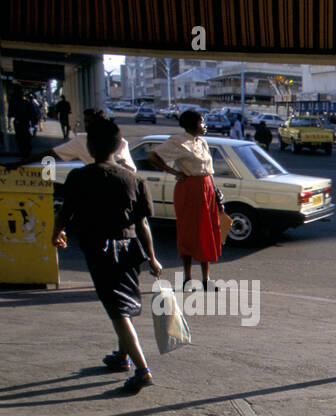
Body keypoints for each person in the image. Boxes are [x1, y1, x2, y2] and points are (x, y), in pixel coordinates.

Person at [51, 118, 164, 395]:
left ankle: (142, 369)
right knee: (124, 303)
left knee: (117, 310)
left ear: (90, 146)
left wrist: (56, 233)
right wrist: (152, 257)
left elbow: (65, 213)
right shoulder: (134, 179)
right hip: (129, 248)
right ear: (118, 146)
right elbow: (142, 224)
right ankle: (122, 356)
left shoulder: (79, 177)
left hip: (99, 249)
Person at [147, 109, 222, 289]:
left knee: (208, 232)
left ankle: (206, 279)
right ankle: (187, 278)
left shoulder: (202, 142)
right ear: (192, 124)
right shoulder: (178, 141)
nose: (205, 125)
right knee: (189, 233)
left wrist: (216, 191)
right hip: (190, 189)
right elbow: (153, 156)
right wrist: (174, 172)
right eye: (202, 122)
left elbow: (208, 170)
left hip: (207, 189)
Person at [7, 109, 136, 172]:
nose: (87, 125)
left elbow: (131, 170)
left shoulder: (120, 141)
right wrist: (19, 163)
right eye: (85, 121)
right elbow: (51, 153)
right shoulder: (81, 140)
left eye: (91, 121)